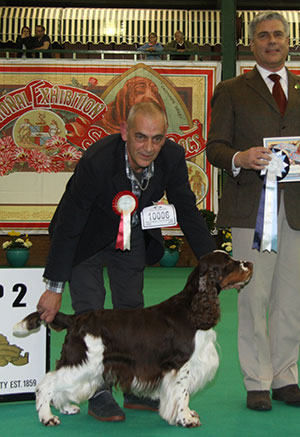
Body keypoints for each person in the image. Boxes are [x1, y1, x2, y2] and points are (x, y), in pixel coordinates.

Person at [37, 101, 216, 422]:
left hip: (130, 236)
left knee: (134, 312)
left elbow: (187, 210)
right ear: (124, 133)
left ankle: (135, 384)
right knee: (92, 313)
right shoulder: (96, 161)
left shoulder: (172, 158)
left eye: (157, 138)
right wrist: (53, 286)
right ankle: (99, 392)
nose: (149, 148)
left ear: (166, 137)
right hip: (85, 239)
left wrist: (212, 259)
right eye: (141, 137)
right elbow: (70, 224)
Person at [206, 11, 300, 411]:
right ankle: (257, 379)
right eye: (263, 36)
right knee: (252, 297)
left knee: (291, 297)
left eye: (278, 34)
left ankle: (285, 375)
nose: (272, 41)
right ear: (251, 44)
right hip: (251, 209)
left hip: (295, 209)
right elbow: (214, 148)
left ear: (289, 41)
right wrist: (241, 156)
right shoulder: (231, 89)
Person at [99, 76, 166, 134]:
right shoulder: (104, 122)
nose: (150, 96)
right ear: (126, 99)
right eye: (139, 92)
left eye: (154, 92)